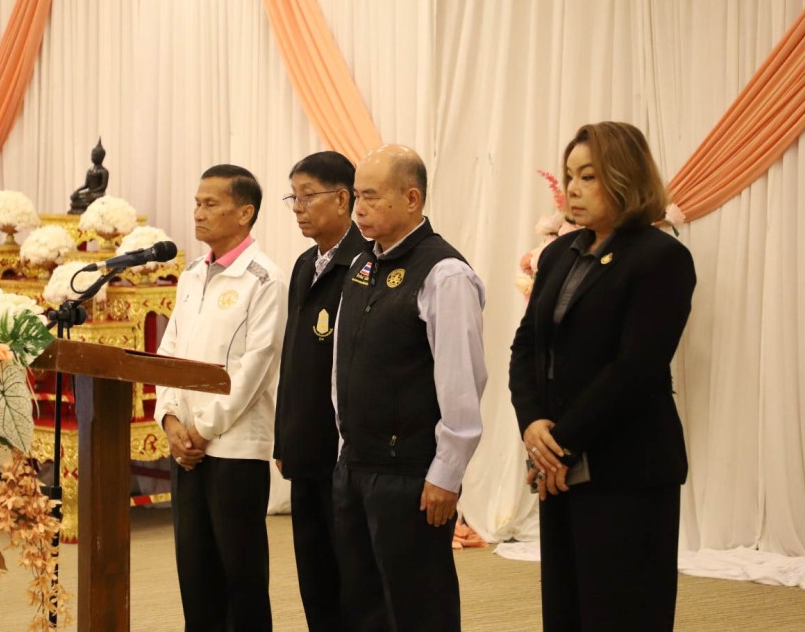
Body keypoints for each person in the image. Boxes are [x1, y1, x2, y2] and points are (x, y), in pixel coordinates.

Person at [508, 122, 696, 631]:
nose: (572, 188)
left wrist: (559, 445)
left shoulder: (662, 258)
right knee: (567, 609)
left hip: (627, 468)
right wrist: (533, 425)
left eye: (587, 176)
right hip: (561, 468)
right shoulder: (558, 254)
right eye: (569, 175)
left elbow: (635, 369)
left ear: (625, 177)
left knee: (621, 613)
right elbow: (526, 348)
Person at [332, 144, 487, 631]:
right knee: (364, 605)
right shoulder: (361, 264)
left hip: (411, 475)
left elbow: (463, 380)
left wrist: (447, 473)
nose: (358, 209)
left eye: (371, 196)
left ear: (412, 198)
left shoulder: (445, 273)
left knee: (418, 607)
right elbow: (344, 362)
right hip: (356, 463)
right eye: (356, 196)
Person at [154, 164, 287, 632]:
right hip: (186, 447)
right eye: (197, 203)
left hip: (234, 447)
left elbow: (256, 367)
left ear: (245, 212)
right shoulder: (192, 273)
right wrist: (170, 420)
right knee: (196, 573)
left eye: (211, 204)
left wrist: (202, 429)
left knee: (241, 575)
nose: (198, 213)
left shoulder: (265, 279)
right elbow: (168, 352)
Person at [274, 151, 367, 631]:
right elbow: (293, 358)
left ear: (343, 198)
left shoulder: (365, 262)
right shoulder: (304, 264)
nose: (298, 207)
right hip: (305, 444)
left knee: (351, 573)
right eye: (293, 197)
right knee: (314, 571)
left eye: (308, 196)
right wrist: (283, 437)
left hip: (345, 450)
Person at [69, 138, 109, 213]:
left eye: (95, 155)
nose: (93, 157)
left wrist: (91, 191)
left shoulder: (104, 171)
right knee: (75, 197)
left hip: (98, 194)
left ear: (101, 157)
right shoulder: (89, 170)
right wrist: (78, 190)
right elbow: (86, 185)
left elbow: (103, 187)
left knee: (91, 199)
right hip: (90, 193)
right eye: (92, 155)